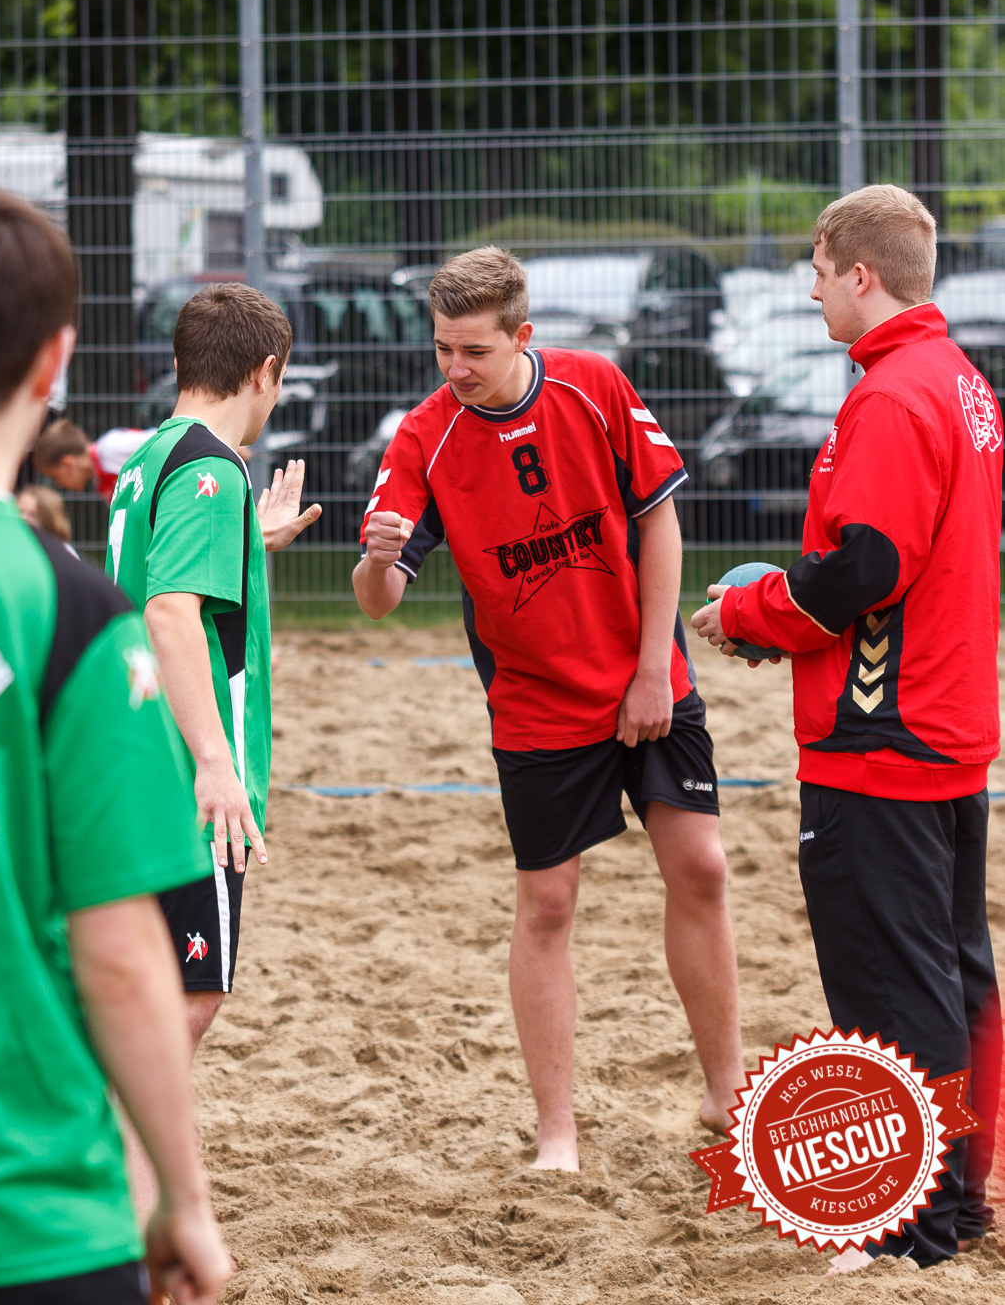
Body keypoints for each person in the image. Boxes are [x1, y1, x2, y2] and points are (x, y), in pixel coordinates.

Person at [352, 245, 745, 1171]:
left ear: (521, 336)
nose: (454, 368)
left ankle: (726, 1094)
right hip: (533, 701)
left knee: (701, 867)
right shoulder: (423, 436)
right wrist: (375, 558)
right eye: (443, 347)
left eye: (474, 351)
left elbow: (659, 520)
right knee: (547, 905)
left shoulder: (594, 387)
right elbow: (380, 600)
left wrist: (655, 668)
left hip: (645, 676)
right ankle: (556, 1136)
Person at [692, 184, 1003, 1270]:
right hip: (946, 719)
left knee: (891, 984)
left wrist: (751, 613)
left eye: (817, 267)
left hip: (880, 733)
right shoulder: (959, 382)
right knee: (955, 972)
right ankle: (956, 1202)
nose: (810, 284)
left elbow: (865, 568)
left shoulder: (888, 397)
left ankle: (911, 1227)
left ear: (859, 274)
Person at [0, 186, 230, 1304]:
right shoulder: (71, 614)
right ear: (54, 358)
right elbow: (119, 951)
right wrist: (182, 1196)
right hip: (17, 1203)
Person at [105, 282, 321, 1197]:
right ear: (265, 370)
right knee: (187, 999)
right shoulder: (213, 468)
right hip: (177, 774)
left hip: (125, 762)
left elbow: (164, 579)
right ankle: (106, 1182)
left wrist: (249, 543)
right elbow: (169, 611)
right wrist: (215, 764)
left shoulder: (151, 456)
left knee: (144, 989)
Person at [34, 418, 154, 506]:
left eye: (55, 476)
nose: (58, 483)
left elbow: (163, 439)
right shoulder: (99, 477)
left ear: (67, 463)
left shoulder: (109, 448)